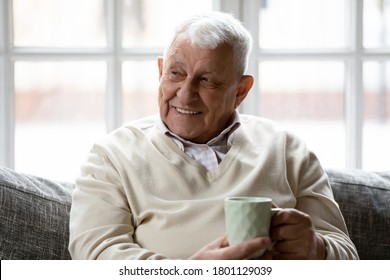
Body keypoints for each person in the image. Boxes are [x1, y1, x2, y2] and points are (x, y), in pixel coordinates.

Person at [69, 12, 359, 260]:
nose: (185, 93)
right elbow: (95, 253)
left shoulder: (287, 150)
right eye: (175, 73)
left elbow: (348, 255)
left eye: (206, 80)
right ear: (160, 71)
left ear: (240, 91)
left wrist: (317, 248)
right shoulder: (111, 156)